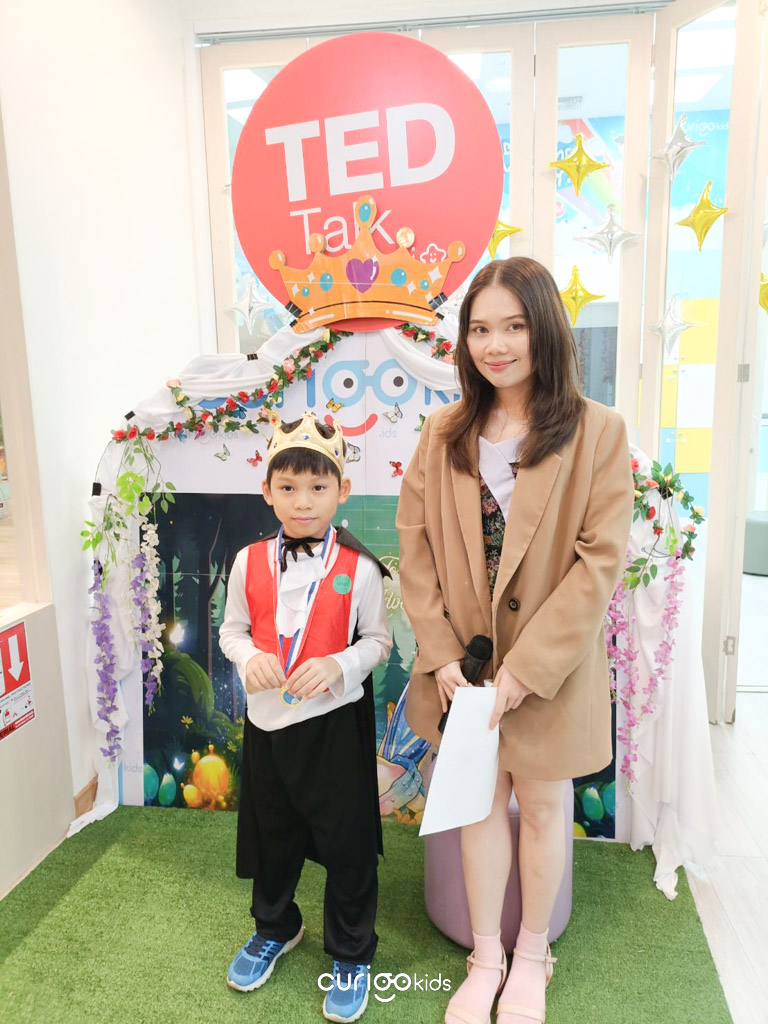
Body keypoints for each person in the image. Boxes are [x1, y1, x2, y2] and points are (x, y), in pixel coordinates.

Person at [396, 257, 634, 1024]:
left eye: (514, 327)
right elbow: (415, 547)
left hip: (548, 671)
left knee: (540, 807)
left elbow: (600, 562)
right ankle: (485, 959)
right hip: (465, 672)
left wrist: (528, 669)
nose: (495, 345)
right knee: (476, 804)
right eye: (479, 329)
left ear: (546, 331)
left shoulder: (598, 432)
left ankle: (532, 955)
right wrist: (438, 653)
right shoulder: (444, 432)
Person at [220, 410, 392, 1024]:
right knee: (273, 834)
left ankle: (351, 952)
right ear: (267, 491)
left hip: (334, 728)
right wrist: (249, 658)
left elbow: (379, 642)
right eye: (288, 487)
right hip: (267, 725)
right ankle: (276, 926)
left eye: (318, 487)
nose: (302, 501)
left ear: (342, 490)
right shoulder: (247, 562)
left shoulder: (361, 568)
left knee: (347, 845)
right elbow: (232, 632)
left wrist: (339, 665)